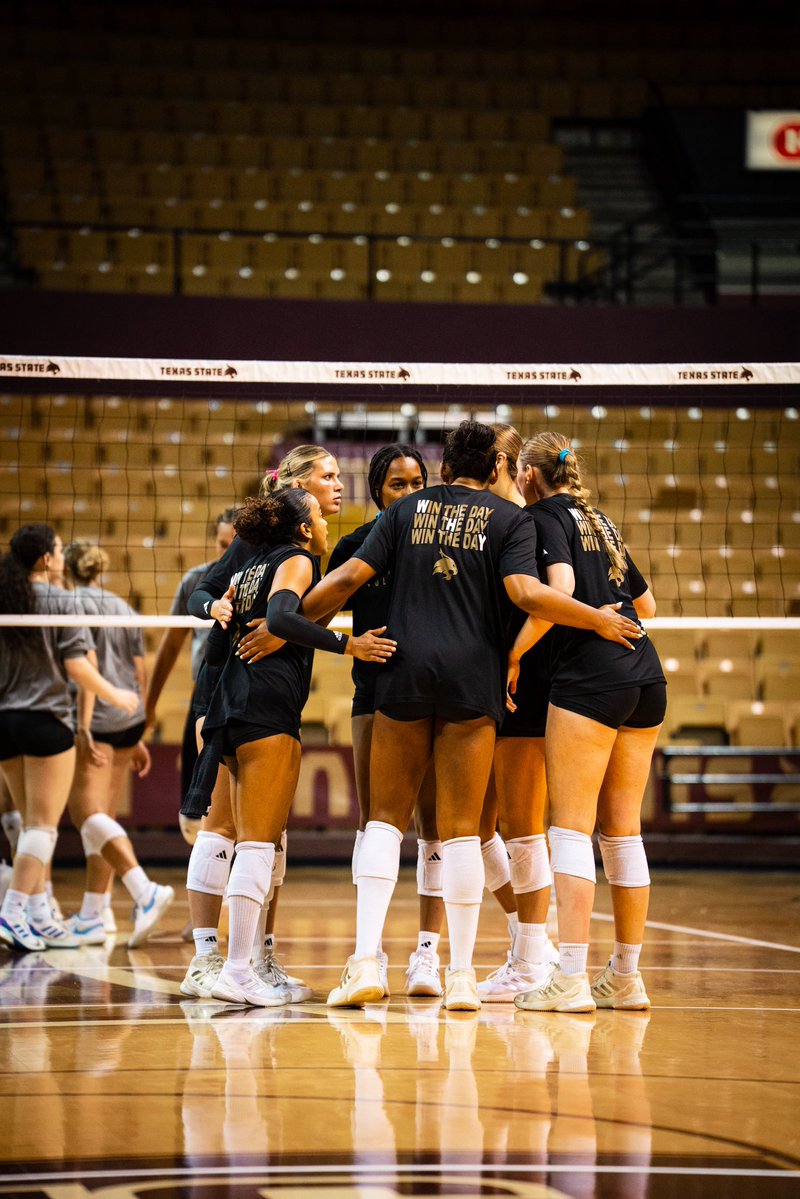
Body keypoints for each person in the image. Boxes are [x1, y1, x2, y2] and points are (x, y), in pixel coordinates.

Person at [299, 420, 643, 1012]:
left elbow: (348, 578)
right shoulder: (511, 520)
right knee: (462, 830)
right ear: (495, 470)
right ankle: (459, 975)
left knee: (383, 820)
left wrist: (288, 623)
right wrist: (598, 618)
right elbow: (529, 596)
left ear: (440, 468)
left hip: (403, 672)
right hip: (473, 678)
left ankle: (363, 963)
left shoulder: (402, 515)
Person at [187, 488, 395, 1006]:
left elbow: (216, 647)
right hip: (266, 708)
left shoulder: (247, 568)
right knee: (258, 845)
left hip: (229, 705)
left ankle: (235, 965)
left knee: (249, 843)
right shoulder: (298, 560)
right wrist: (350, 645)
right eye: (322, 517)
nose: (327, 524)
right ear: (303, 528)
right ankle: (239, 970)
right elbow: (281, 619)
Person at [179, 446, 343, 1001]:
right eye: (327, 477)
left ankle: (253, 958)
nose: (337, 486)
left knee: (261, 837)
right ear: (296, 490)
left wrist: (285, 624)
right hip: (241, 690)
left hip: (245, 696)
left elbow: (284, 614)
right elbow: (218, 595)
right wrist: (217, 610)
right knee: (240, 834)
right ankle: (220, 962)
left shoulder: (282, 554)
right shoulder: (272, 551)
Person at [509, 433, 666, 1014]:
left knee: (571, 829)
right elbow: (646, 607)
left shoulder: (543, 516)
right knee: (623, 831)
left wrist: (516, 652)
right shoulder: (601, 520)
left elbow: (562, 593)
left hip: (592, 677)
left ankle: (570, 978)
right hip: (646, 672)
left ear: (528, 474)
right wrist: (611, 610)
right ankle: (625, 976)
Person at [325, 444, 445, 997]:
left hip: (436, 695)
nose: (410, 492)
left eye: (417, 481)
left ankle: (427, 954)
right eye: (398, 484)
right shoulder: (354, 547)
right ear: (377, 492)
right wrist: (348, 644)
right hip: (374, 694)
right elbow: (314, 616)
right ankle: (368, 950)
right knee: (375, 824)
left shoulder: (444, 545)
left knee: (436, 827)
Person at [0, 524, 139, 952]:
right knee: (43, 827)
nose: (60, 556)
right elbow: (77, 667)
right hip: (46, 721)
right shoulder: (63, 601)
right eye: (57, 550)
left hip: (5, 722)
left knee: (27, 824)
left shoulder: (6, 599)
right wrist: (116, 693)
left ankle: (39, 916)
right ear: (46, 559)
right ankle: (12, 912)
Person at [478, 423, 558, 1001]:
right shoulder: (485, 521)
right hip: (479, 682)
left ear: (508, 465)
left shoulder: (528, 523)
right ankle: (528, 939)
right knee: (477, 829)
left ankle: (533, 954)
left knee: (525, 826)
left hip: (522, 680)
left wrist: (514, 654)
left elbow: (551, 597)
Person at [62, 540, 175, 948]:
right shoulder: (122, 607)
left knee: (86, 813)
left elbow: (86, 668)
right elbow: (139, 670)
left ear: (67, 569)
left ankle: (144, 891)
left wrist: (84, 724)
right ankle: (95, 911)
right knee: (103, 816)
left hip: (99, 717)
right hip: (129, 717)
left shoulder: (69, 604)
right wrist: (141, 725)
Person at [144, 509, 237, 833]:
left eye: (235, 544)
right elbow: (169, 648)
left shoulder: (265, 576)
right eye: (222, 544)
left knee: (235, 800)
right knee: (193, 812)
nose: (228, 552)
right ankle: (207, 871)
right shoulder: (196, 581)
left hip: (242, 695)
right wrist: (149, 705)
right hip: (204, 695)